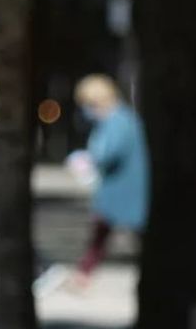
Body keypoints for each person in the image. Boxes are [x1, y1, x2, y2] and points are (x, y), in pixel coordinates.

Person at [44, 74, 150, 292]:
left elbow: (108, 152)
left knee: (115, 231)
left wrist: (85, 160)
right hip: (119, 188)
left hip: (123, 188)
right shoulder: (117, 119)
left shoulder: (119, 121)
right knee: (103, 233)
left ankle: (84, 275)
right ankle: (84, 274)